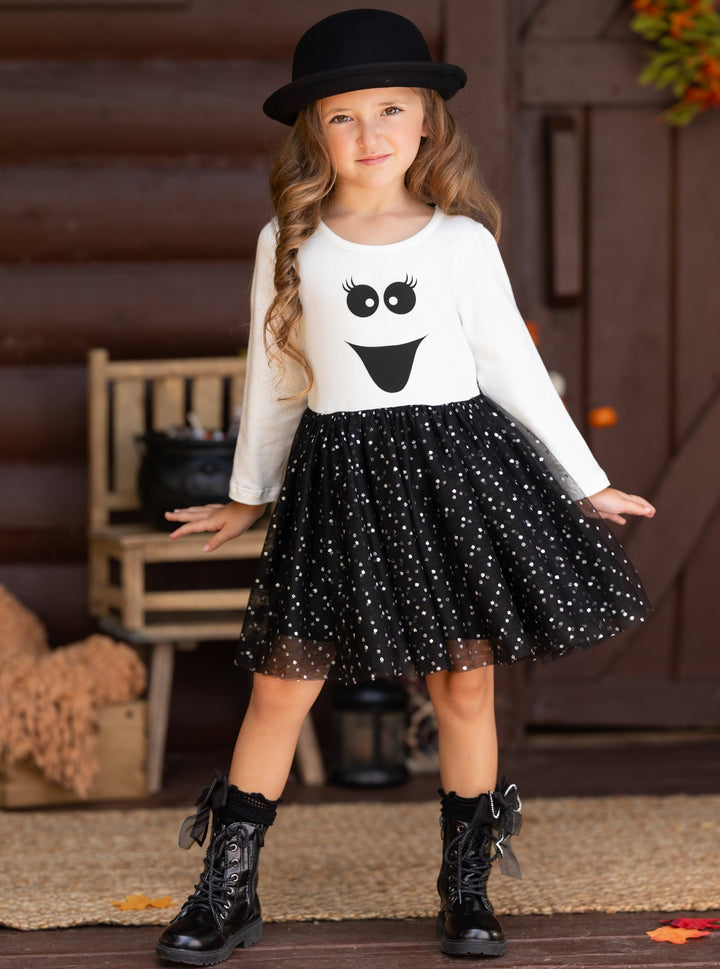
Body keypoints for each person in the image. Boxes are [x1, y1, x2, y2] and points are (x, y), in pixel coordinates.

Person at [155, 9, 655, 965]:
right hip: (337, 480)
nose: (370, 133)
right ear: (315, 133)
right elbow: (276, 375)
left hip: (455, 475)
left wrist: (586, 481)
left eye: (390, 109)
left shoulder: (461, 241)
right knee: (282, 684)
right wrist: (250, 494)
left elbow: (510, 368)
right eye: (343, 116)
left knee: (465, 682)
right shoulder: (289, 241)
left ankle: (466, 888)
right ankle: (225, 891)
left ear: (428, 120)